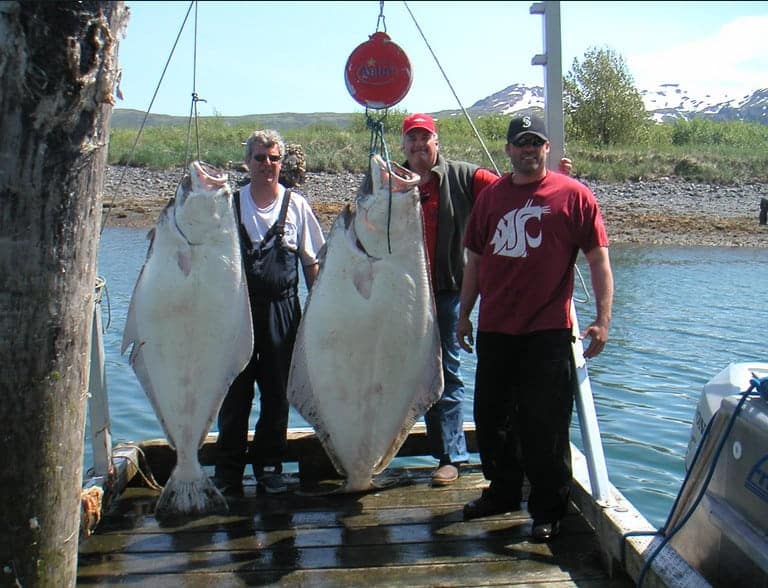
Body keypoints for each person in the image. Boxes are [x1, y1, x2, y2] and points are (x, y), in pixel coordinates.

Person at [456, 114, 613, 541]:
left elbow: (598, 259)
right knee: (491, 419)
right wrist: (464, 313)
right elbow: (475, 260)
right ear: (508, 149)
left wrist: (602, 320)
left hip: (547, 330)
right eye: (520, 142)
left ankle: (548, 508)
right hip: (495, 329)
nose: (528, 149)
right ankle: (503, 491)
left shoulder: (574, 196)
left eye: (536, 143)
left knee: (545, 425)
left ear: (547, 149)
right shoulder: (490, 199)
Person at [399, 113, 572, 487]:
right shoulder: (390, 183)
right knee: (395, 373)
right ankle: (374, 449)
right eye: (411, 140)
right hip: (400, 297)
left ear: (436, 143)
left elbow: (517, 189)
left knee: (447, 375)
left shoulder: (465, 177)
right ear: (404, 146)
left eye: (424, 139)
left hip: (446, 293)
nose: (418, 146)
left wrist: (560, 182)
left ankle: (450, 455)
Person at [214, 129, 325, 496]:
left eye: (274, 158)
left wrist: (318, 312)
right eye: (259, 158)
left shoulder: (297, 206)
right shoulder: (228, 204)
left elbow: (312, 264)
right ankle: (228, 471)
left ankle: (269, 467)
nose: (267, 165)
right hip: (237, 313)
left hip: (283, 311)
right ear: (247, 162)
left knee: (277, 394)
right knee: (235, 391)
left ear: (282, 162)